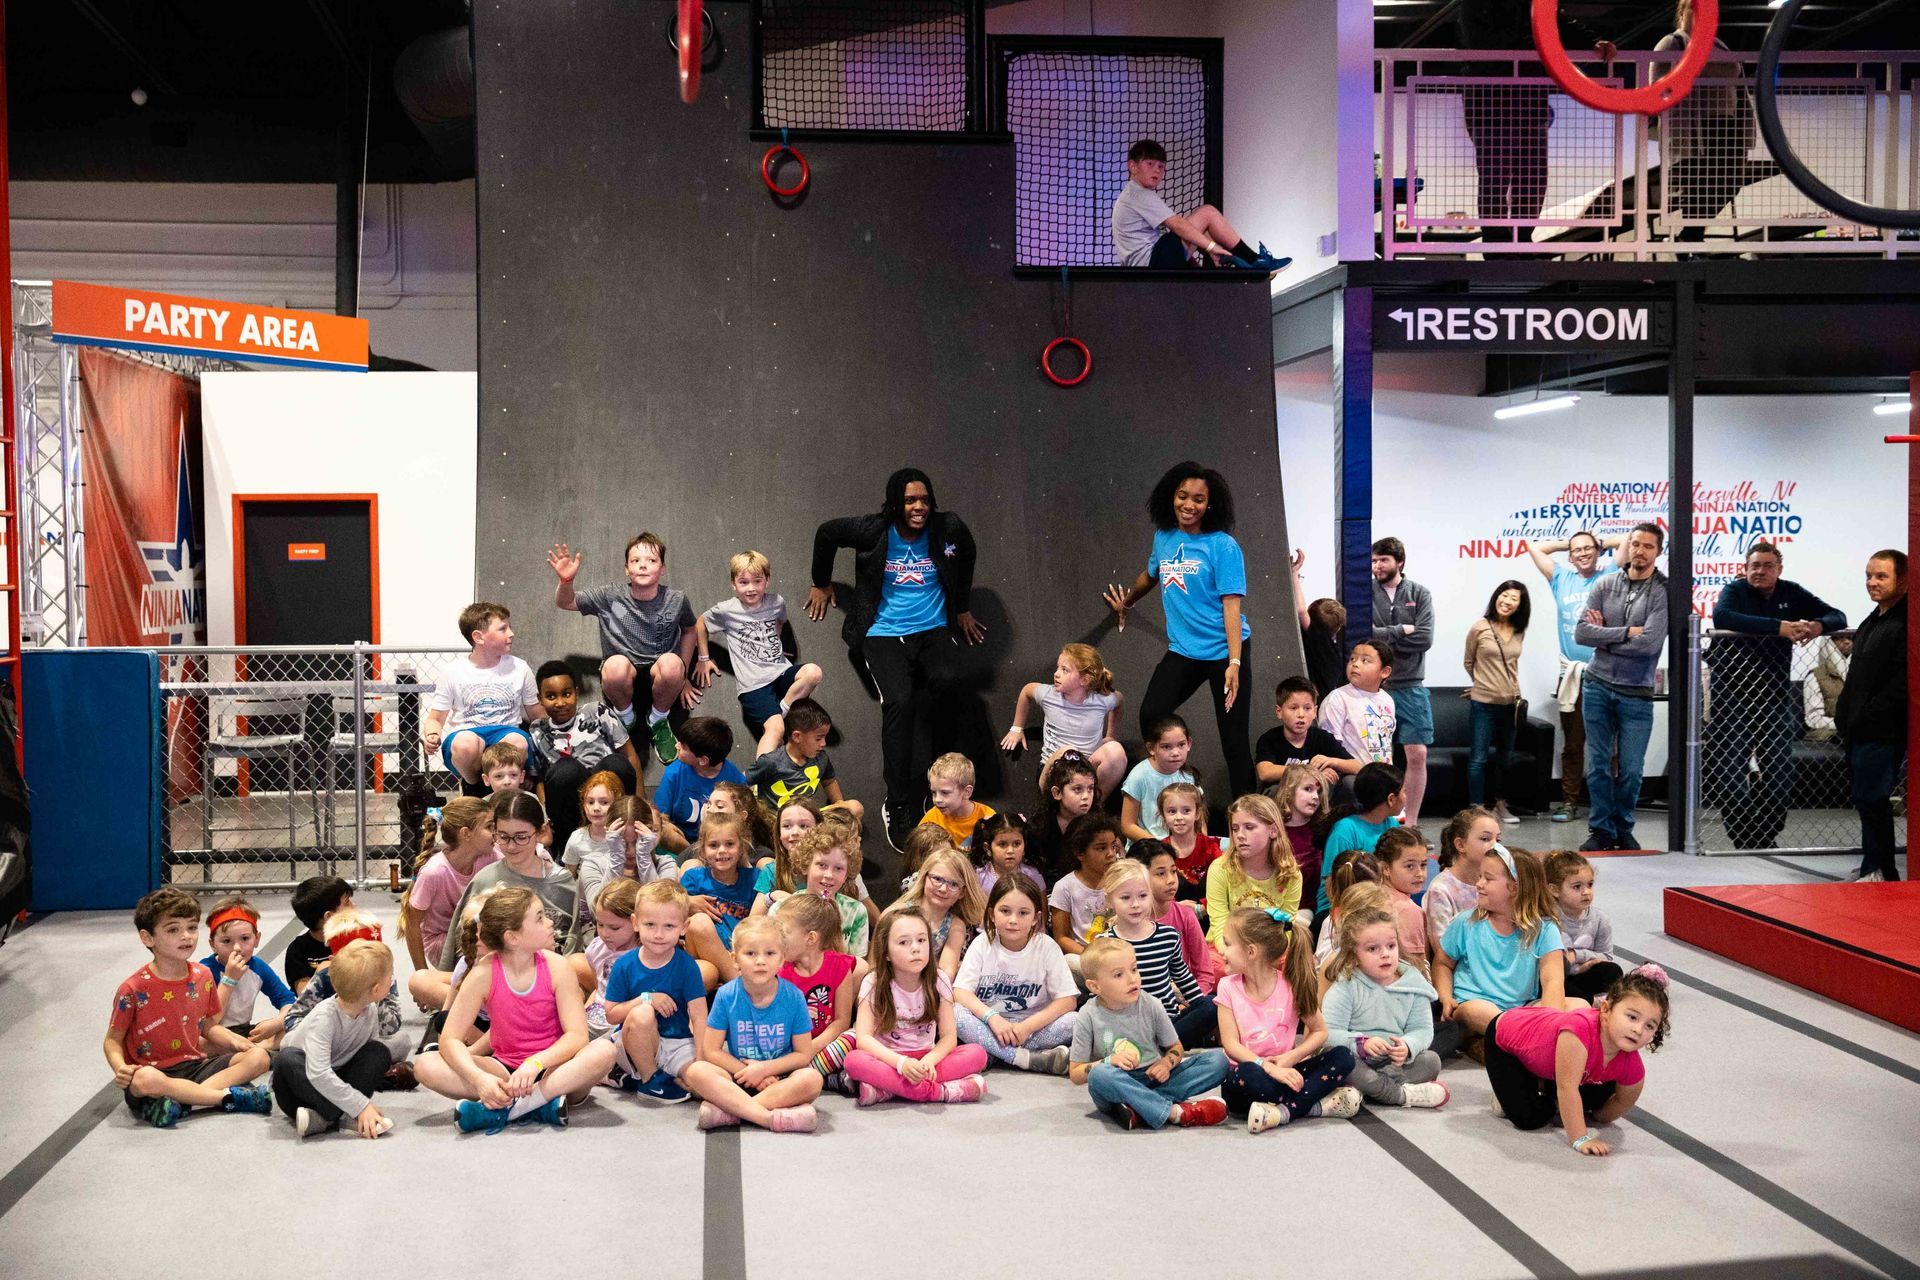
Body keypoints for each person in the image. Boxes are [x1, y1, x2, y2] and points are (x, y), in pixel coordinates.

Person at [807, 468, 983, 848]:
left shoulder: (947, 527)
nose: (919, 507)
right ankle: (898, 803)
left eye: (924, 499)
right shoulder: (874, 529)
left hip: (932, 629)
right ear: (895, 503)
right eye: (910, 500)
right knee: (899, 702)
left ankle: (937, 790)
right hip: (883, 632)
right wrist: (821, 581)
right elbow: (826, 533)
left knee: (949, 683)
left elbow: (967, 554)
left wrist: (963, 607)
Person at [411, 886, 617, 1132]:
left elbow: (577, 1036)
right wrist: (480, 1079)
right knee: (425, 1065)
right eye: (540, 918)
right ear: (512, 937)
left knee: (604, 1050)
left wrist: (536, 1063)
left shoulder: (558, 967)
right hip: (503, 1068)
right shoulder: (483, 974)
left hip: (554, 1069)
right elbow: (450, 1039)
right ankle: (537, 1105)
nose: (550, 923)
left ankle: (514, 1108)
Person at [1107, 462, 1257, 798]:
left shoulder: (1223, 546)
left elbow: (1232, 607)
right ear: (1170, 496)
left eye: (1199, 499)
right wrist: (1127, 603)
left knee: (1233, 741)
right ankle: (1176, 785)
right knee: (1152, 714)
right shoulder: (1164, 537)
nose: (1189, 505)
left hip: (1224, 651)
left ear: (1210, 504)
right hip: (1185, 651)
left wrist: (1234, 663)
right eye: (1183, 496)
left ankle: (1250, 814)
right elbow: (1151, 575)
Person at [1708, 541, 1847, 850]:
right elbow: (1723, 618)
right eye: (1754, 566)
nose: (1760, 571)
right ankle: (1744, 836)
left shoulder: (1791, 592)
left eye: (1767, 566)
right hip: (1732, 692)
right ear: (1745, 569)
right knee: (1730, 768)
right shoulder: (1735, 591)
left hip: (1773, 693)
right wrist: (1780, 627)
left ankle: (1766, 833)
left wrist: (1816, 624)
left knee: (1780, 769)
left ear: (1779, 570)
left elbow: (1838, 616)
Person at [105, 888, 273, 1128]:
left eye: (192, 927)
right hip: (154, 1073)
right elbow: (112, 1040)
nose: (186, 936)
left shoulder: (202, 975)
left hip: (195, 1066)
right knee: (144, 1079)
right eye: (173, 930)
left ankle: (180, 1102)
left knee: (257, 1056)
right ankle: (224, 1098)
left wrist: (236, 1042)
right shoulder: (132, 989)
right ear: (147, 938)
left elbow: (207, 1025)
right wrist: (121, 1068)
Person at [1455, 1, 1615, 244]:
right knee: (1497, 173)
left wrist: (1592, 42)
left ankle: (1520, 238)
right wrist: (1533, 38)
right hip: (1491, 96)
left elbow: (1557, 22)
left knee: (1532, 173)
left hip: (1526, 92)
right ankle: (1497, 243)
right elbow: (1483, 41)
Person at [547, 532, 698, 765]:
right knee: (614, 668)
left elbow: (690, 629)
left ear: (663, 568)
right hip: (623, 668)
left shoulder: (676, 599)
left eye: (651, 560)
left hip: (660, 667)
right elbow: (565, 602)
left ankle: (658, 720)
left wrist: (684, 674)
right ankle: (624, 717)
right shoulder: (610, 596)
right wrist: (566, 582)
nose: (643, 566)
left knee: (673, 666)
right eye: (635, 561)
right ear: (627, 569)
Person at [1485, 966, 1670, 1155]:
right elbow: (1567, 1088)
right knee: (1529, 1117)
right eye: (1632, 1017)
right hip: (1506, 1039)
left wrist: (1599, 1115)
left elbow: (1621, 1102)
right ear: (1605, 1009)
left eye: (1649, 1026)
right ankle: (1519, 1088)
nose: (1638, 1030)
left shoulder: (1633, 1065)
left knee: (1599, 1096)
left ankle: (1542, 1086)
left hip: (1555, 1061)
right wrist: (1580, 1138)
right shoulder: (1578, 1032)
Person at [1215, 907, 1361, 1131]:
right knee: (1247, 1074)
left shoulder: (1291, 985)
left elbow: (1320, 1031)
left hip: (1286, 1070)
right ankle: (1311, 1105)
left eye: (1228, 943)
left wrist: (1290, 1058)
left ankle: (1284, 1112)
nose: (1222, 951)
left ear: (1251, 951)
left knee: (1343, 1056)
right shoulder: (1227, 987)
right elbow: (1231, 1044)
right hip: (1247, 1079)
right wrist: (1268, 1067)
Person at [1070, 936, 1231, 1130]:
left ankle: (1140, 1108)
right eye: (1119, 975)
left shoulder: (1151, 1004)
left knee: (1218, 1060)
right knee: (1100, 1075)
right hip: (1118, 1085)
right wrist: (1108, 1061)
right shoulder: (1087, 1015)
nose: (1132, 979)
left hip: (1153, 1078)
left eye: (1134, 969)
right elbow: (1076, 1073)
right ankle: (1173, 1113)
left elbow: (1175, 1048)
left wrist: (1165, 1063)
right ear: (1095, 986)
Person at [1574, 523, 1669, 853]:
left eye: (1648, 546)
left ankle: (1623, 826)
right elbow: (1582, 634)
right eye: (1635, 544)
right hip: (1597, 685)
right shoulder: (1605, 583)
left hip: (1637, 692)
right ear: (1626, 547)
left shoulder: (1662, 591)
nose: (1640, 551)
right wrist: (1627, 632)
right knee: (1598, 765)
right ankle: (1601, 829)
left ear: (1658, 552)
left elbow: (1649, 644)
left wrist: (1608, 638)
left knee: (1631, 770)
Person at [1652, 0, 1777, 244]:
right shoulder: (1673, 43)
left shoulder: (1721, 46)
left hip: (1726, 125)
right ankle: (1692, 241)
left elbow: (1739, 88)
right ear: (1684, 12)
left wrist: (1744, 127)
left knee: (1731, 182)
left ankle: (1689, 237)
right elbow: (1656, 88)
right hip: (1693, 129)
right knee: (1698, 186)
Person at [1520, 531, 1622, 823]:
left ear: (1599, 551)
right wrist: (1575, 543)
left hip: (1605, 673)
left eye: (1588, 549)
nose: (1583, 554)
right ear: (1569, 556)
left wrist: (1595, 541)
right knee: (1573, 744)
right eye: (1577, 551)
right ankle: (1568, 802)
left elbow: (1628, 540)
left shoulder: (1610, 573)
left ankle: (1608, 803)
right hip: (1573, 675)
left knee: (1607, 745)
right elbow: (1535, 546)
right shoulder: (1561, 578)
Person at [685, 915, 823, 1131]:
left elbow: (803, 1054)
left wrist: (764, 1070)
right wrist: (748, 1073)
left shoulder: (794, 997)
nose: (760, 961)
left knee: (812, 1079)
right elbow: (711, 1050)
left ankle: (730, 1112)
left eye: (770, 953)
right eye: (750, 953)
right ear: (735, 959)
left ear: (782, 958)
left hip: (780, 1079)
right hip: (737, 1076)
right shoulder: (726, 995)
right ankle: (767, 1118)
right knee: (697, 1071)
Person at [845, 904, 990, 1106]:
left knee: (977, 1054)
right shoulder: (873, 982)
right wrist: (901, 1064)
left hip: (927, 1059)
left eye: (921, 940)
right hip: (889, 1060)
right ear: (886, 952)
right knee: (854, 1061)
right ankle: (942, 1092)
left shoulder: (939, 979)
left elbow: (948, 1038)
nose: (915, 947)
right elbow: (864, 1039)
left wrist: (929, 1061)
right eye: (903, 942)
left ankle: (888, 1090)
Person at [271, 939, 411, 1139]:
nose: (393, 979)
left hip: (336, 1077)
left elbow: (363, 1057)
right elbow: (318, 1074)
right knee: (287, 1059)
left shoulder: (370, 1009)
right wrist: (361, 1105)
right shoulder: (325, 1017)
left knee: (377, 1051)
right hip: (301, 1087)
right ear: (377, 989)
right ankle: (344, 1115)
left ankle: (325, 1119)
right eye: (390, 975)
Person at [694, 549, 825, 756]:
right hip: (754, 685)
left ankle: (783, 708)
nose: (751, 588)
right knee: (776, 730)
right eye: (744, 582)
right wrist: (704, 658)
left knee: (814, 672)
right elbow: (700, 622)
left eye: (757, 581)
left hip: (780, 672)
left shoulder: (776, 602)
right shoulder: (727, 610)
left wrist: (775, 646)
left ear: (767, 580)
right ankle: (757, 783)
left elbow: (780, 623)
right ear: (733, 584)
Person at [1433, 843, 1571, 1039]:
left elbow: (1553, 980)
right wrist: (1446, 997)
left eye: (1487, 878)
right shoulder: (1466, 922)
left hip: (1520, 1008)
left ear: (1514, 888)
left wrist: (1551, 1020)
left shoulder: (1545, 929)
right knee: (1479, 1011)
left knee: (1578, 1006)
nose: (1479, 883)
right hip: (1473, 1003)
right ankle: (1526, 1040)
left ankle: (1529, 1036)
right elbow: (1442, 963)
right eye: (1480, 876)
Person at [1321, 905, 1449, 1109]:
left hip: (1393, 1064)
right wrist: (1361, 1044)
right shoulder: (1347, 985)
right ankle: (1400, 1095)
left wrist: (1407, 1047)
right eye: (1373, 949)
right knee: (1341, 1061)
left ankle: (1368, 1088)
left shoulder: (1413, 984)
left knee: (1431, 1061)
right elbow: (1328, 1033)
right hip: (1359, 1060)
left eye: (1391, 946)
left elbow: (1422, 1030)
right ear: (1354, 955)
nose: (1385, 954)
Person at [438, 792, 579, 970]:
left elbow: (575, 946)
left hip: (548, 976)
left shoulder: (564, 883)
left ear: (541, 832)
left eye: (521, 837)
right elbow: (461, 945)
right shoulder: (485, 879)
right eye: (503, 837)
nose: (511, 846)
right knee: (422, 981)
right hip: (490, 976)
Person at [955, 876, 1080, 1075]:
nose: (1013, 920)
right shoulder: (982, 943)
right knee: (956, 1015)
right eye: (1005, 911)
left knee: (1075, 1021)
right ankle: (1024, 1058)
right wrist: (992, 1018)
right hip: (990, 1026)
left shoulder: (1046, 946)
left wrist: (1027, 1027)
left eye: (1023, 913)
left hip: (1033, 1029)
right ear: (992, 914)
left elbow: (1068, 1001)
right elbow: (960, 992)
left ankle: (995, 1054)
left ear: (1036, 919)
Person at [1110, 138, 1287, 272]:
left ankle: (1232, 266)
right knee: (1207, 214)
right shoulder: (1137, 194)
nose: (1157, 170)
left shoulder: (1135, 195)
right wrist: (1212, 247)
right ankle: (1255, 260)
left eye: (1161, 167)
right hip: (1151, 264)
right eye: (1150, 164)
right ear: (1132, 166)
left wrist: (1202, 253)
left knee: (1201, 231)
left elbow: (1180, 234)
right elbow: (1178, 225)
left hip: (1148, 265)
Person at [606, 879, 713, 1102]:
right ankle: (649, 1079)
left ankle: (633, 1078)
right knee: (642, 1013)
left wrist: (702, 1062)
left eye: (669, 927)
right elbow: (612, 1014)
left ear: (684, 927)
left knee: (702, 1086)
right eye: (650, 925)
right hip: (633, 1041)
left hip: (678, 1044)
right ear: (635, 923)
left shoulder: (687, 966)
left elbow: (699, 1016)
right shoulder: (624, 965)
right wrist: (647, 998)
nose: (658, 934)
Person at [1836, 549, 1907, 882]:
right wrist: (1844, 714)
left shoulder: (1906, 622)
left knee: (1874, 799)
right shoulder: (1871, 620)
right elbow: (1856, 676)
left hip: (1882, 730)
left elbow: (1901, 682)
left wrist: (1869, 716)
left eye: (1881, 576)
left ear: (1903, 580)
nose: (1872, 582)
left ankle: (1882, 870)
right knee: (1864, 799)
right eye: (1869, 575)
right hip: (1858, 728)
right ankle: (1871, 866)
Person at [423, 601, 543, 789]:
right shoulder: (453, 671)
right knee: (465, 744)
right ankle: (476, 786)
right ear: (479, 637)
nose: (511, 634)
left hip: (505, 730)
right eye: (503, 629)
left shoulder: (520, 667)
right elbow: (436, 719)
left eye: (509, 627)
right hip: (468, 733)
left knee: (517, 741)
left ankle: (508, 790)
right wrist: (431, 734)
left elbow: (537, 714)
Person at [528, 658, 641, 853]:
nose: (560, 702)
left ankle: (623, 840)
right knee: (566, 769)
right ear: (540, 699)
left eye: (567, 694)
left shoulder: (597, 712)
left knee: (617, 763)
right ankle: (567, 851)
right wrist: (544, 813)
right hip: (569, 796)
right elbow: (539, 779)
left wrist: (641, 804)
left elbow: (630, 756)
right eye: (551, 696)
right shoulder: (537, 730)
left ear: (577, 693)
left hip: (606, 788)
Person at [1000, 642, 1126, 798]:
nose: (1056, 674)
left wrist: (1111, 735)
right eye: (1058, 668)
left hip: (1086, 771)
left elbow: (1119, 702)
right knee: (1068, 751)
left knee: (1116, 751)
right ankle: (1060, 806)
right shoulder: (1048, 695)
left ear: (1085, 680)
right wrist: (1016, 728)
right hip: (1055, 771)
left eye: (1065, 670)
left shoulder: (1102, 700)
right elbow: (1027, 691)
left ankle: (1095, 805)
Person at [1371, 537, 1435, 825]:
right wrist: (1401, 630)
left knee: (1417, 753)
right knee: (1375, 757)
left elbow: (1425, 638)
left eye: (1383, 559)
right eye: (1373, 560)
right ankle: (1382, 820)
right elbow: (1366, 636)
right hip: (1376, 686)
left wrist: (1386, 635)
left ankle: (1411, 822)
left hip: (1411, 685)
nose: (1377, 565)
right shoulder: (1364, 592)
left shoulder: (1420, 593)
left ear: (1399, 562)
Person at [775, 892, 865, 1094]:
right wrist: (798, 1051)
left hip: (824, 1045)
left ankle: (799, 1076)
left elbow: (841, 1021)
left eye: (783, 933)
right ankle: (819, 1077)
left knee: (853, 1037)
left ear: (811, 938)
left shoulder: (840, 966)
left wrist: (812, 1048)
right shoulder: (781, 971)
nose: (776, 940)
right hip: (791, 1047)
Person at [1463, 579, 1531, 824]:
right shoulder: (1480, 627)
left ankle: (1501, 805)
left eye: (1514, 599)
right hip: (1482, 704)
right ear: (1496, 597)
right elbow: (1469, 662)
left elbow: (1512, 667)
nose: (1508, 601)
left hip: (1511, 703)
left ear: (1520, 605)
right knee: (1478, 758)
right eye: (1505, 595)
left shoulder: (1518, 630)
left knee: (1506, 758)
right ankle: (1477, 810)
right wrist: (1482, 684)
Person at [741, 697, 863, 827]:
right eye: (819, 738)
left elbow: (829, 782)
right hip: (777, 822)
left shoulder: (821, 758)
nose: (824, 743)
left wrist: (839, 805)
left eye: (825, 737)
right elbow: (740, 781)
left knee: (855, 808)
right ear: (797, 736)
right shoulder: (771, 762)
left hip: (806, 816)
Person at [1206, 794, 1304, 946]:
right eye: (1235, 829)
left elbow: (1286, 928)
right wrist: (1234, 954)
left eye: (1249, 827)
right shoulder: (1220, 868)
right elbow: (1219, 922)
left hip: (1269, 949)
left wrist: (1263, 958)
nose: (1240, 835)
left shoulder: (1291, 874)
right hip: (1225, 947)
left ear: (1273, 830)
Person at [200, 897, 296, 1045]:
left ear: (256, 939)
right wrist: (229, 979)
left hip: (243, 1031)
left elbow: (288, 1001)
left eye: (245, 938)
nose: (237, 948)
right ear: (213, 944)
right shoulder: (204, 971)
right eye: (226, 941)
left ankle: (256, 1049)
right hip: (214, 1034)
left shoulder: (258, 967)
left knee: (296, 1026)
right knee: (199, 1043)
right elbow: (210, 1020)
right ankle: (258, 1051)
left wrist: (276, 1023)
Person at [1319, 762, 1403, 914]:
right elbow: (1331, 884)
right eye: (1404, 791)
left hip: (1375, 901)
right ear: (1391, 799)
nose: (1406, 797)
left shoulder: (1392, 825)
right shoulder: (1345, 830)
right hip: (1339, 907)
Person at [652, 716, 747, 844]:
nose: (676, 745)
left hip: (721, 843)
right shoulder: (674, 772)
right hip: (681, 844)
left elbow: (743, 827)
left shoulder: (736, 782)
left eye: (684, 747)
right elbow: (659, 818)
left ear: (702, 760)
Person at [1545, 850, 1622, 1003]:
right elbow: (1548, 966)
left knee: (1613, 971)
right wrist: (1575, 968)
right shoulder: (1548, 920)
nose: (1586, 892)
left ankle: (1582, 1000)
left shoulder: (1600, 919)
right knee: (1550, 984)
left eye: (1590, 884)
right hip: (1559, 978)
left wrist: (1577, 957)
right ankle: (1593, 1002)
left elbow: (1606, 956)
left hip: (1584, 974)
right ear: (1555, 890)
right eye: (1577, 886)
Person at [1256, 675, 1356, 791]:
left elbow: (1357, 766)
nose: (1301, 714)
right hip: (1284, 794)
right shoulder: (1269, 739)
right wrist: (1312, 772)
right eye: (1293, 708)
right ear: (1279, 712)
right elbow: (1265, 772)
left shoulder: (1322, 737)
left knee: (1349, 782)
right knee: (1274, 790)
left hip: (1316, 794)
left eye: (1307, 708)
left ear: (1315, 711)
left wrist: (1332, 762)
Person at [1050, 813, 1123, 968]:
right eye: (1101, 848)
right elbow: (1061, 937)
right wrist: (1092, 957)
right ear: (1079, 853)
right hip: (1085, 957)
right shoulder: (1064, 887)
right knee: (1070, 962)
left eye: (1114, 846)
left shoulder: (1122, 879)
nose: (1111, 854)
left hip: (1122, 953)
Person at [1317, 639, 1397, 766]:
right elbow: (1330, 745)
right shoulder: (1338, 698)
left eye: (1365, 660)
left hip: (1381, 774)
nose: (1355, 664)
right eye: (1352, 659)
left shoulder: (1387, 700)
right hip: (1350, 773)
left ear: (1385, 672)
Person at [1120, 715, 1198, 843]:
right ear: (1151, 748)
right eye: (1167, 747)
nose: (1175, 752)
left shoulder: (1189, 776)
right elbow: (1127, 825)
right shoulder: (1139, 777)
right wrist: (1159, 846)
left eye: (1181, 745)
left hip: (1183, 845)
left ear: (1189, 743)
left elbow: (1199, 821)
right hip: (1149, 848)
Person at [1289, 550, 1348, 702]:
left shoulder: (1321, 642)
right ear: (1338, 627)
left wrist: (1294, 573)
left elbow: (1301, 611)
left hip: (1316, 704)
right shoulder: (1332, 650)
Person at [1029, 752, 1099, 876]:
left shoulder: (1098, 825)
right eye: (1077, 789)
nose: (1086, 796)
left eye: (1090, 788)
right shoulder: (1041, 826)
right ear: (1057, 793)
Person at [286, 875, 353, 993]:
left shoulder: (357, 940)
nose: (353, 906)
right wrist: (321, 974)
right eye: (347, 903)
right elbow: (304, 997)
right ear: (329, 917)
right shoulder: (298, 950)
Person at [1158, 780, 1220, 902]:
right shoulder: (1159, 850)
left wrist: (1200, 909)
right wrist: (1178, 909)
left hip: (1208, 913)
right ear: (1163, 816)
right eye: (1172, 811)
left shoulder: (1210, 847)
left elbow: (1223, 888)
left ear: (1197, 813)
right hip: (1173, 915)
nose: (1179, 817)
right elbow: (1155, 893)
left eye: (1186, 811)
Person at [920, 752, 996, 851]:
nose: (937, 799)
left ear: (966, 792)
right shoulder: (931, 819)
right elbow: (917, 852)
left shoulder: (988, 817)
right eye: (933, 792)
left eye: (945, 792)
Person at [973, 810, 1044, 897]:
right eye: (1002, 844)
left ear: (1025, 845)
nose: (1010, 850)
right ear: (987, 848)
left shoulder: (1033, 876)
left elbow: (1042, 910)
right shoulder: (977, 878)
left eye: (1017, 844)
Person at [1802, 634, 1851, 742]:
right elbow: (1813, 719)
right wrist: (1844, 723)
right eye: (1839, 638)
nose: (1847, 642)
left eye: (1850, 638)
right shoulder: (1815, 676)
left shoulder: (1862, 673)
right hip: (1830, 733)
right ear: (1828, 642)